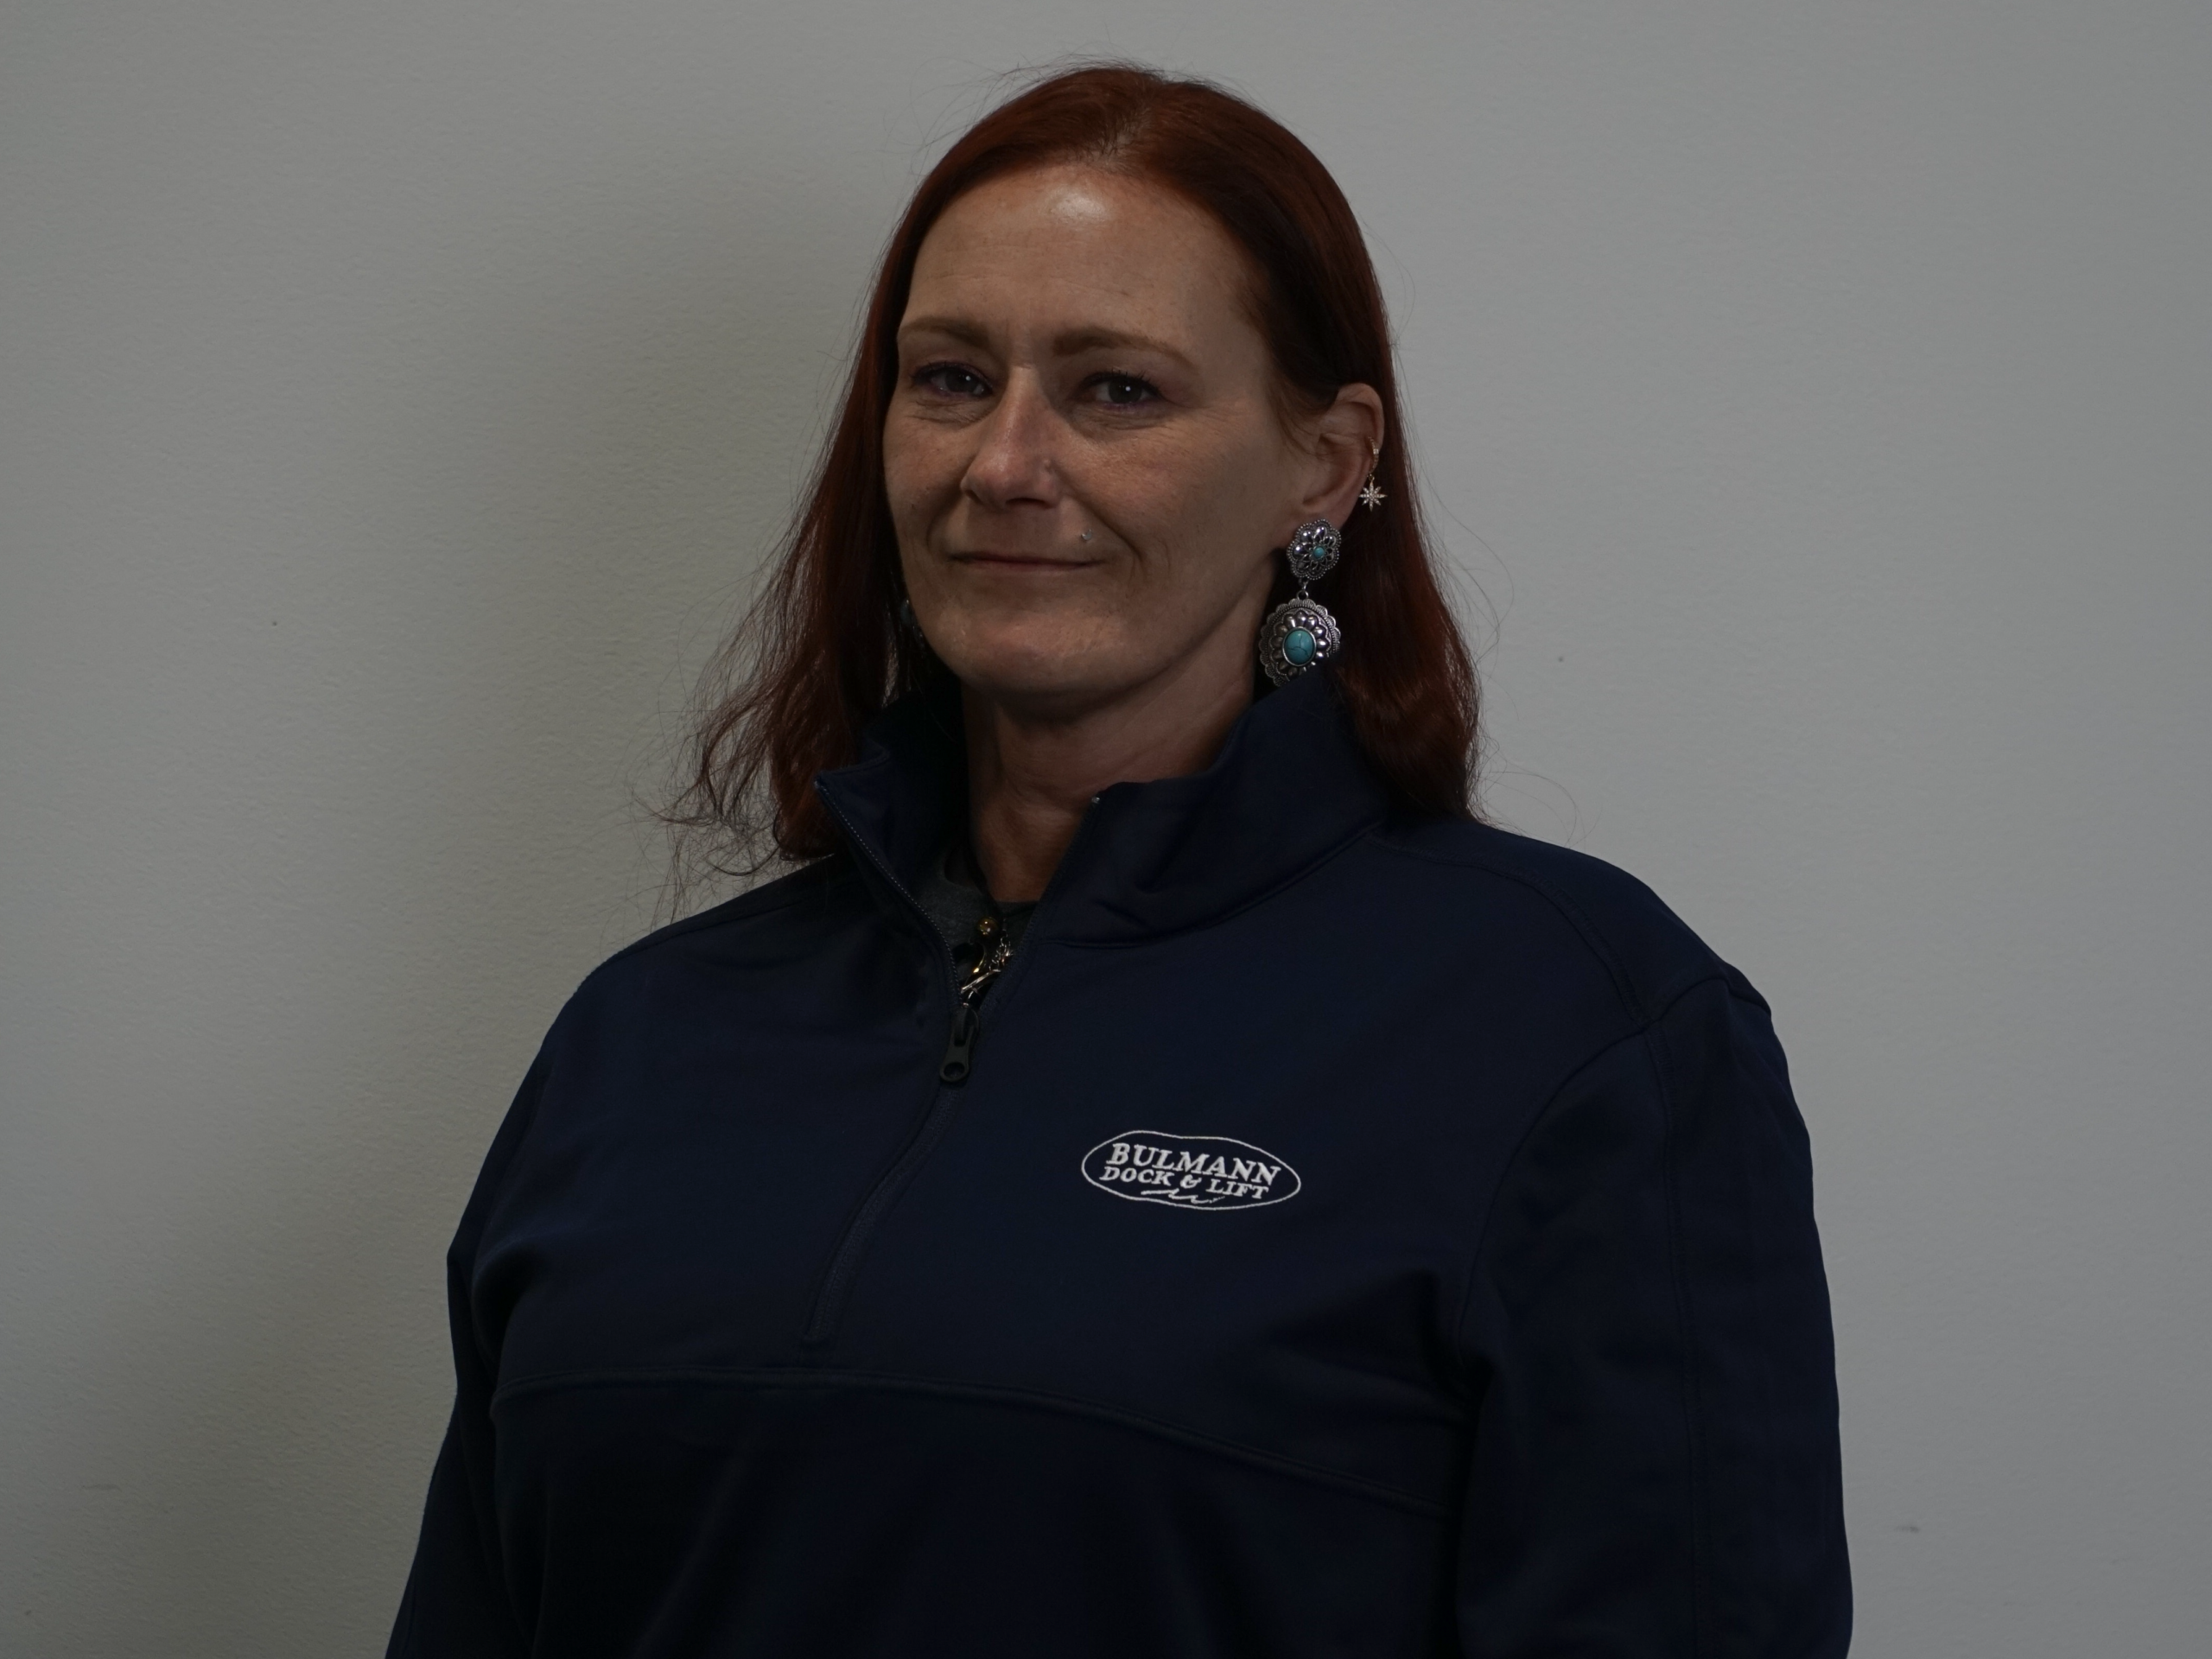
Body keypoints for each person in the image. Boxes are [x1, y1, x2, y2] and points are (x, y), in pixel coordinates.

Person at [387, 64, 1850, 1658]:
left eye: (1118, 391)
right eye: (952, 379)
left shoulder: (1580, 1035)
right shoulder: (644, 1039)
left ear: (1323, 463)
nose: (1004, 463)